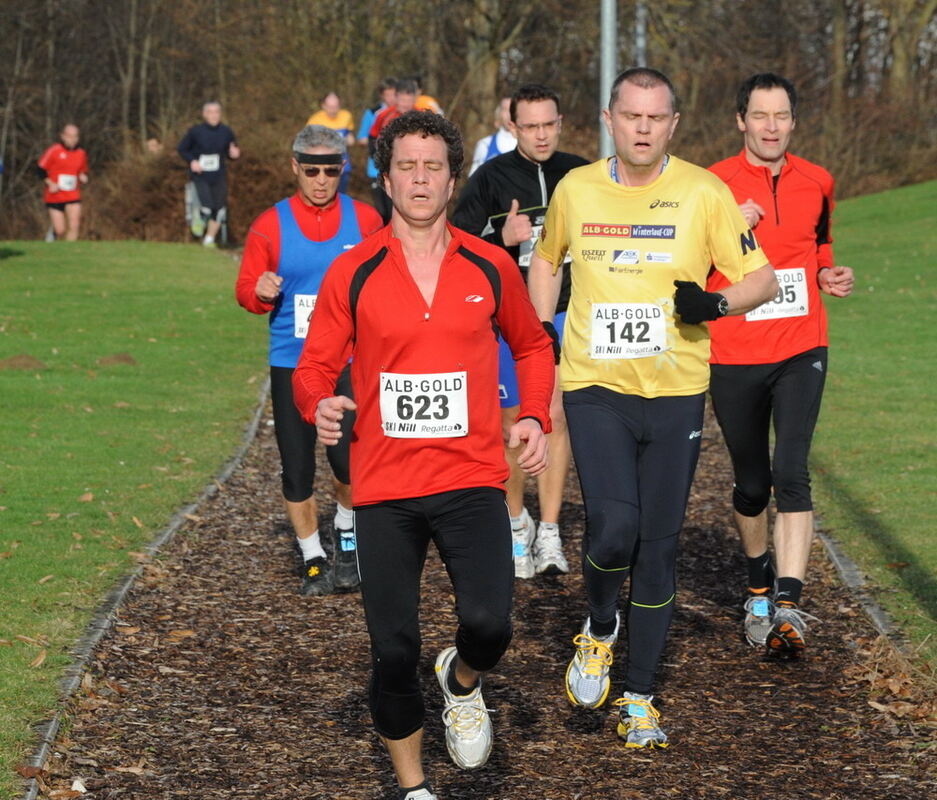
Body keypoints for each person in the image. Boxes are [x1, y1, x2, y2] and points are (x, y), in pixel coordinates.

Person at [293, 111, 554, 800]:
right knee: (393, 650)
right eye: (405, 166)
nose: (417, 179)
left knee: (490, 624)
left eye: (431, 166)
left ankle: (460, 680)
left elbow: (530, 343)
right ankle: (413, 789)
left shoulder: (489, 264)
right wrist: (316, 402)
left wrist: (531, 415)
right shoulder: (354, 270)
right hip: (384, 486)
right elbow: (313, 365)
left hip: (469, 477)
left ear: (451, 176)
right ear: (384, 176)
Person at [528, 67, 778, 748]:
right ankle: (600, 624)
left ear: (672, 124)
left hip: (675, 391)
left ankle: (639, 696)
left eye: (654, 118)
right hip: (596, 385)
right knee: (612, 530)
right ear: (608, 119)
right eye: (629, 116)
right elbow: (546, 259)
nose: (641, 128)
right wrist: (536, 334)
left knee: (658, 547)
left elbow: (761, 277)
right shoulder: (577, 190)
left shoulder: (703, 191)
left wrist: (716, 303)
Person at [706, 73, 855, 654]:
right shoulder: (711, 184)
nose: (772, 127)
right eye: (760, 116)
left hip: (801, 345)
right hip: (735, 351)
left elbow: (819, 243)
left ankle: (788, 606)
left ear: (794, 121)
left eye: (782, 116)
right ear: (741, 120)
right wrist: (726, 229)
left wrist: (825, 273)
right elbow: (685, 267)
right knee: (751, 483)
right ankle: (757, 584)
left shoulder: (818, 180)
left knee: (791, 468)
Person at [235, 125, 382, 596]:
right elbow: (246, 289)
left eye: (331, 170)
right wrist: (258, 292)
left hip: (347, 360)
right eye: (312, 169)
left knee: (349, 464)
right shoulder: (270, 224)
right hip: (292, 362)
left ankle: (346, 531)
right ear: (295, 167)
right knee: (296, 467)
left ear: (344, 169)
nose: (321, 179)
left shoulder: (365, 220)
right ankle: (314, 557)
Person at [454, 83, 588, 578]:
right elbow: (457, 243)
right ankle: (515, 524)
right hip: (511, 317)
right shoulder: (490, 178)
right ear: (512, 127)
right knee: (514, 425)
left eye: (548, 124)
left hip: (569, 311)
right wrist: (500, 238)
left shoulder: (581, 173)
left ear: (561, 122)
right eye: (529, 126)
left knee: (553, 414)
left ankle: (550, 531)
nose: (541, 134)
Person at [177, 101, 240, 247]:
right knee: (206, 207)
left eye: (217, 112)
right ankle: (198, 220)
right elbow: (182, 149)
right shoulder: (195, 131)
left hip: (219, 175)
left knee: (219, 208)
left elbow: (232, 150)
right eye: (210, 112)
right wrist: (192, 161)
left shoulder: (226, 131)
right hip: (200, 175)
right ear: (204, 114)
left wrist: (234, 154)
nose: (214, 115)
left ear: (220, 114)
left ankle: (209, 239)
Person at [368, 79, 418, 222]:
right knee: (384, 209)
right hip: (388, 168)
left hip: (413, 168)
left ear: (414, 99)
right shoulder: (384, 116)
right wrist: (379, 160)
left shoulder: (423, 115)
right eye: (402, 101)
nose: (405, 105)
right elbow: (372, 138)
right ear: (396, 98)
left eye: (408, 101)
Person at [37, 124, 89, 241]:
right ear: (63, 137)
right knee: (60, 230)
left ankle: (71, 253)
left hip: (72, 193)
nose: (73, 140)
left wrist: (83, 176)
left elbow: (82, 170)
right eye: (70, 136)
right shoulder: (54, 150)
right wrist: (50, 183)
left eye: (75, 137)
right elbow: (40, 170)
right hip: (55, 194)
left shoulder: (81, 153)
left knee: (74, 225)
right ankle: (52, 234)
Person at [307, 92, 356, 193]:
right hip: (323, 165)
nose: (333, 110)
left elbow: (350, 138)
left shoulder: (346, 116)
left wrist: (349, 140)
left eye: (336, 107)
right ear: (323, 106)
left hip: (342, 163)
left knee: (341, 194)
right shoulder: (315, 120)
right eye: (330, 107)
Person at [357, 77, 397, 192]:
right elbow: (362, 138)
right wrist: (378, 141)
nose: (391, 98)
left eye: (393, 94)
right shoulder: (372, 113)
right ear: (382, 95)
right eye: (387, 95)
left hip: (396, 168)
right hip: (376, 169)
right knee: (380, 207)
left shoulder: (404, 112)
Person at [468, 97, 516, 175]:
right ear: (499, 113)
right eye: (505, 109)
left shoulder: (527, 145)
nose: (509, 114)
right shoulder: (485, 144)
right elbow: (473, 179)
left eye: (513, 109)